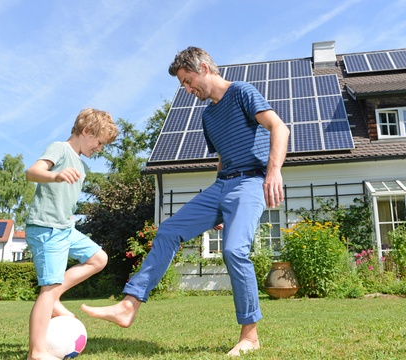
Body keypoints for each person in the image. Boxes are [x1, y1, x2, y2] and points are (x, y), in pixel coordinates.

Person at [81, 46, 289, 356]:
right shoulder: (208, 116)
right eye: (183, 84)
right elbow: (222, 159)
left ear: (204, 68)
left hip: (251, 181)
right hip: (223, 186)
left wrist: (273, 173)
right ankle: (129, 305)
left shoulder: (243, 92)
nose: (187, 89)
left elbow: (279, 128)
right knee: (168, 230)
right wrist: (216, 206)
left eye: (188, 81)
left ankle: (250, 335)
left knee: (234, 251)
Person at [25, 108, 119, 360]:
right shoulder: (60, 148)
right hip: (46, 227)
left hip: (65, 228)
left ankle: (54, 296)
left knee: (98, 259)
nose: (99, 148)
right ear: (86, 131)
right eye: (99, 142)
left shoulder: (81, 164)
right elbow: (32, 172)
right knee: (49, 287)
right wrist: (55, 176)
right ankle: (37, 352)